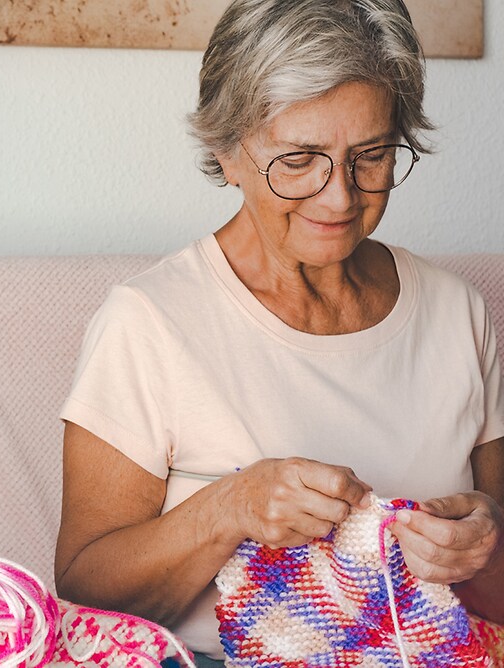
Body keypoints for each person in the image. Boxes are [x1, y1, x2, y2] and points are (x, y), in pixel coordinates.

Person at [54, 0, 504, 665]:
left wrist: (485, 550)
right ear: (226, 151)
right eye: (298, 161)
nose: (340, 197)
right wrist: (229, 509)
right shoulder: (149, 322)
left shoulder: (457, 312)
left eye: (372, 156)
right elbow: (83, 587)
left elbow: (497, 591)